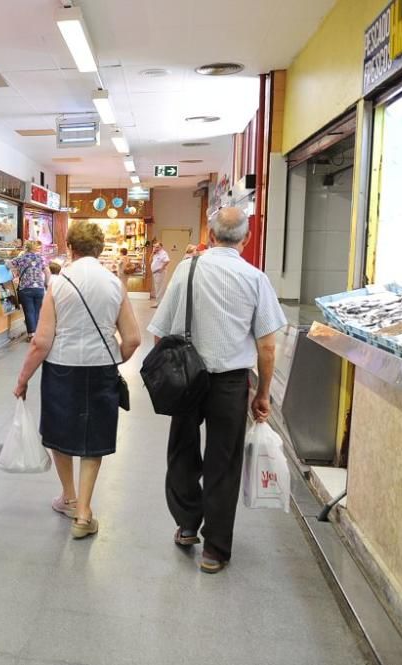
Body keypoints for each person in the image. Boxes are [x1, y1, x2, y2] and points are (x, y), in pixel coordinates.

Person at [147, 207, 287, 574]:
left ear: (209, 234)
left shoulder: (187, 269)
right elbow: (268, 346)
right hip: (230, 382)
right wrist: (262, 393)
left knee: (182, 450)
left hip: (187, 376)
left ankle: (188, 523)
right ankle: (216, 550)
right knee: (223, 462)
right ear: (247, 238)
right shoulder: (256, 279)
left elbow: (161, 331)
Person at [13, 221, 141, 539]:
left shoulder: (59, 283)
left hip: (61, 368)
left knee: (61, 431)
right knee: (93, 437)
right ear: (98, 249)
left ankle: (68, 497)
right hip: (101, 369)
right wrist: (114, 360)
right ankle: (84, 512)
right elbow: (133, 339)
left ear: (70, 247)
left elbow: (41, 341)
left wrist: (23, 378)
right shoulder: (114, 284)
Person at [8, 240, 50, 341]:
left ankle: (32, 334)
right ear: (35, 248)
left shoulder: (21, 258)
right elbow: (47, 272)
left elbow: (8, 265)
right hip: (39, 288)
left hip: (25, 288)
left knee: (29, 311)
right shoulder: (41, 258)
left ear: (25, 248)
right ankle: (38, 333)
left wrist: (15, 271)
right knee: (37, 311)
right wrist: (46, 283)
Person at [150, 241, 171, 308]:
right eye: (154, 247)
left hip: (160, 273)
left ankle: (159, 303)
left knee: (160, 288)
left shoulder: (163, 253)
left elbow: (167, 261)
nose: (156, 248)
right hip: (155, 273)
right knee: (157, 288)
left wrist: (161, 268)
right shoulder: (155, 253)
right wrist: (152, 253)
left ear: (161, 247)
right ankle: (158, 303)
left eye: (157, 247)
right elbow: (149, 261)